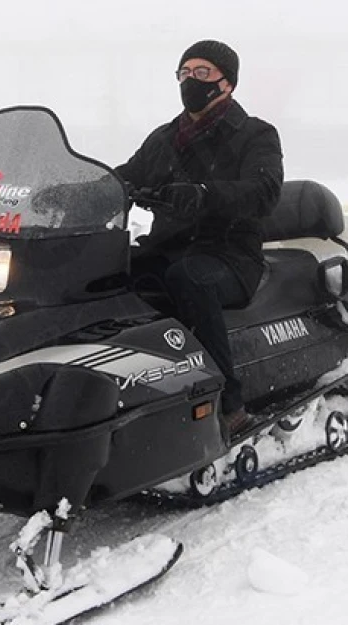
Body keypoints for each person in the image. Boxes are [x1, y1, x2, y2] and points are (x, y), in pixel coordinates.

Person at [114, 40, 284, 437]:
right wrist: (80, 187)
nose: (191, 80)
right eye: (185, 73)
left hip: (230, 256)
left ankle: (230, 403)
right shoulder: (165, 138)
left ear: (227, 83)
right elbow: (128, 173)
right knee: (109, 271)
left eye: (202, 73)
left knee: (188, 277)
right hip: (168, 250)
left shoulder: (255, 134)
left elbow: (264, 192)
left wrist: (205, 194)